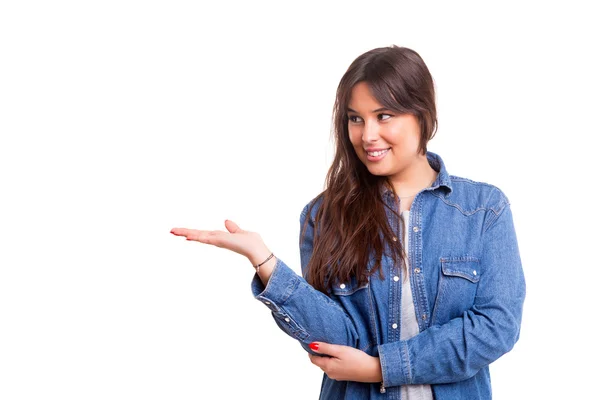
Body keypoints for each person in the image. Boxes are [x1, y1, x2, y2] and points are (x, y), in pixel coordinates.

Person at [170, 45, 526, 399]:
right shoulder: (324, 215)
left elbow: (496, 328)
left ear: (422, 114)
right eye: (356, 118)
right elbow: (335, 341)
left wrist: (381, 368)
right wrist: (265, 262)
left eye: (383, 116)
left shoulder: (482, 210)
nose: (367, 135)